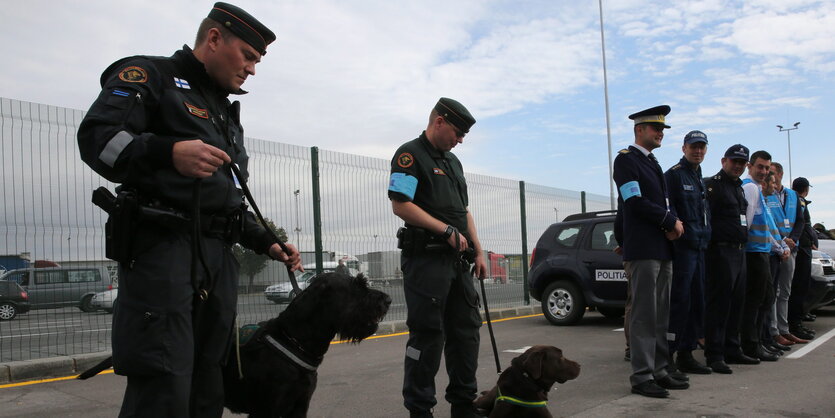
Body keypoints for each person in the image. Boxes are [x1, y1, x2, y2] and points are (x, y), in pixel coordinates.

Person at [76, 3, 302, 417]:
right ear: (214, 39)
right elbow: (97, 138)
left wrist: (266, 241)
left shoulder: (224, 112)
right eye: (248, 56)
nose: (252, 70)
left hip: (217, 258)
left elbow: (226, 197)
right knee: (164, 381)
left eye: (257, 61)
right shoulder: (152, 76)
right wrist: (167, 152)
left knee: (208, 381)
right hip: (162, 251)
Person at [388, 98, 487, 418]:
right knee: (428, 334)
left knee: (466, 331)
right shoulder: (409, 154)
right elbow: (401, 204)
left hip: (458, 262)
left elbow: (463, 211)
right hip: (426, 260)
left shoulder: (453, 163)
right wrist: (444, 230)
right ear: (439, 122)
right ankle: (420, 409)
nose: (459, 141)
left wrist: (479, 249)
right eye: (457, 133)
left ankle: (463, 404)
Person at [613, 105, 687, 399]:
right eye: (656, 129)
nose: (660, 134)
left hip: (661, 248)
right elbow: (634, 202)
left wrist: (674, 223)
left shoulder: (653, 163)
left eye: (662, 130)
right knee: (644, 315)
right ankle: (642, 376)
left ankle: (659, 370)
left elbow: (664, 202)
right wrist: (669, 221)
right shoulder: (626, 161)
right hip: (644, 249)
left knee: (660, 315)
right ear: (639, 130)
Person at [703, 144, 758, 374]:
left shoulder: (739, 189)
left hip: (739, 251)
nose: (737, 166)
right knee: (719, 305)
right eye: (734, 161)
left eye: (741, 163)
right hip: (720, 251)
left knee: (737, 303)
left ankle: (732, 349)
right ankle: (714, 354)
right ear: (724, 161)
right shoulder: (712, 186)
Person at [664, 130, 711, 375]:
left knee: (696, 303)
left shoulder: (698, 177)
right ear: (684, 148)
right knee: (679, 304)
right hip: (682, 251)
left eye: (702, 147)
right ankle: (668, 355)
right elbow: (667, 208)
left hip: (700, 249)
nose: (698, 151)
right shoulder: (673, 175)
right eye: (694, 146)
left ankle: (686, 353)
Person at [740, 151, 786, 362]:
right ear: (750, 166)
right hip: (753, 253)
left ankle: (759, 341)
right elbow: (747, 222)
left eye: (767, 168)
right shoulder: (750, 188)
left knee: (765, 298)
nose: (764, 172)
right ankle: (752, 344)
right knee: (756, 301)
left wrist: (778, 247)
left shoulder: (757, 189)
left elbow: (766, 226)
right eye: (760, 167)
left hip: (762, 252)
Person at [763, 162, 804, 351]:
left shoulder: (793, 195)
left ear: (780, 174)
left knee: (785, 292)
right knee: (774, 292)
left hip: (790, 248)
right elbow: (767, 221)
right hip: (775, 248)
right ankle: (774, 331)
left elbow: (801, 220)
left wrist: (793, 239)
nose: (768, 175)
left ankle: (784, 327)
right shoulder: (766, 194)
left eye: (771, 172)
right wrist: (781, 241)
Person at [787, 177, 817, 341]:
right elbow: (804, 225)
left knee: (796, 288)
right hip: (801, 249)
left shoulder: (792, 199)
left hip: (800, 247)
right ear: (806, 189)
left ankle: (796, 322)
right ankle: (795, 324)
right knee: (798, 288)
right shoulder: (800, 201)